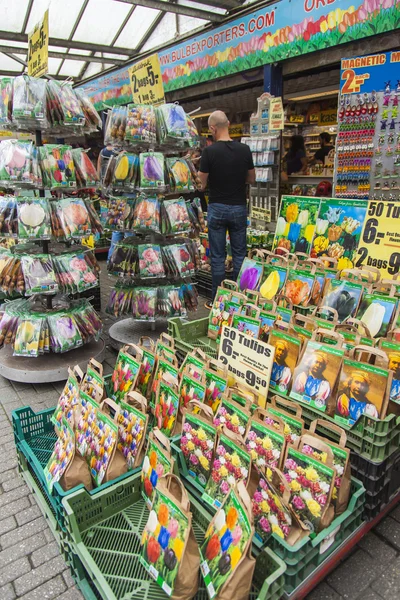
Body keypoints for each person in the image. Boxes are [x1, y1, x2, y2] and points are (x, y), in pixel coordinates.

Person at [198, 111, 255, 301]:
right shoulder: (244, 150)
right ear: (228, 123)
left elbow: (201, 184)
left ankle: (218, 301)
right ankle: (240, 299)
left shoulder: (209, 152)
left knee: (217, 258)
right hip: (239, 207)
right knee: (239, 255)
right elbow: (252, 179)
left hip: (217, 208)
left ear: (213, 129)